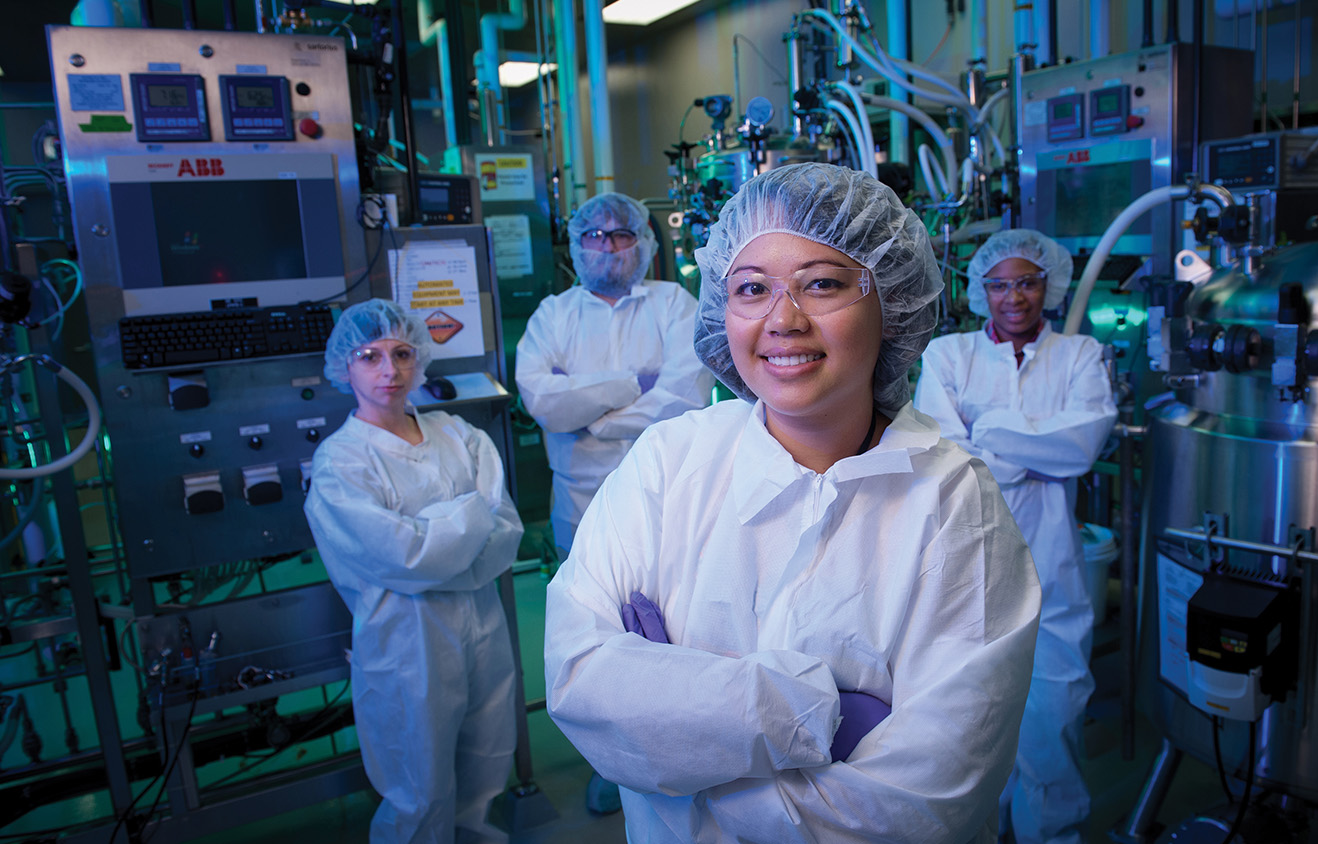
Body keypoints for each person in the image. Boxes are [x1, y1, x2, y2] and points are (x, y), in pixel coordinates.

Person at [544, 163, 1042, 843]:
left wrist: (692, 767)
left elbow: (929, 801)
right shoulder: (669, 463)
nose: (784, 319)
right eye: (751, 288)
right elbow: (581, 683)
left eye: (822, 284)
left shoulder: (954, 501)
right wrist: (819, 714)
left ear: (889, 300)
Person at [914, 229, 1118, 844]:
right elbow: (947, 454)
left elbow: (1082, 446)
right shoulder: (948, 356)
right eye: (999, 284)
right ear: (980, 290)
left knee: (1055, 705)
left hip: (1053, 555)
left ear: (1047, 285)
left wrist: (992, 429)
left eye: (1026, 281)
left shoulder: (1081, 355)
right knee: (972, 709)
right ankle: (983, 828)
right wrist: (1033, 449)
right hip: (969, 552)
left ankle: (1054, 834)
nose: (1014, 297)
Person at [304, 299, 524, 844]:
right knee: (417, 777)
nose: (389, 370)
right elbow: (401, 556)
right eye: (369, 356)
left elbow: (506, 531)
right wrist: (466, 521)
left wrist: (433, 535)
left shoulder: (458, 435)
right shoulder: (341, 463)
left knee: (487, 747)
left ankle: (472, 833)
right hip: (406, 636)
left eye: (402, 353)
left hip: (482, 621)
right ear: (344, 367)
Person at [515, 192, 714, 556]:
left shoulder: (673, 304)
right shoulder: (553, 315)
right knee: (585, 606)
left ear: (643, 242)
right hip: (579, 499)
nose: (607, 246)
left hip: (664, 490)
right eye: (594, 235)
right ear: (576, 244)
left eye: (622, 234)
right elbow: (544, 402)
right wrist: (636, 384)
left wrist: (590, 416)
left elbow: (684, 398)